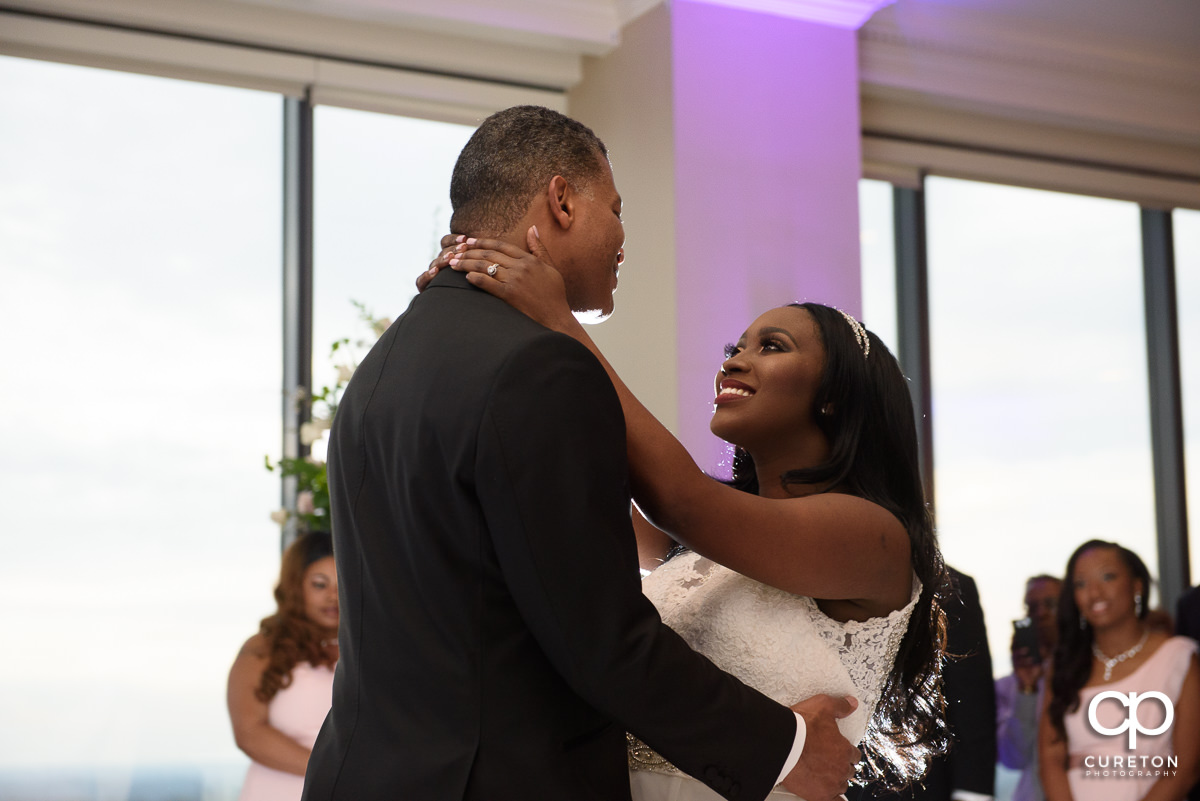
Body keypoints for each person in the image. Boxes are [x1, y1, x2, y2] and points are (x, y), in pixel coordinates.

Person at [301, 106, 859, 801]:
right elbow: (605, 643)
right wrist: (787, 749)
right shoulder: (540, 369)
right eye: (616, 208)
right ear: (562, 200)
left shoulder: (383, 367)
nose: (623, 236)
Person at [429, 236, 950, 796]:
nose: (734, 359)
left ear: (834, 398)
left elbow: (678, 498)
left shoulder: (873, 537)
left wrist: (560, 321)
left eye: (771, 347)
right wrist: (475, 314)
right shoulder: (703, 550)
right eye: (736, 345)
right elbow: (570, 493)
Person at [1039, 540, 1200, 801]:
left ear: (1137, 585)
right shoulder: (1065, 664)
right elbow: (1050, 757)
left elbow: (1187, 767)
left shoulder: (1179, 657)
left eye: (1107, 577)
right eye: (1081, 584)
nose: (1094, 593)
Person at [847, 567, 994, 801]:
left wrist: (972, 793)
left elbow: (972, 702)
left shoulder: (951, 587)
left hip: (920, 784)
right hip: (837, 779)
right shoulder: (817, 579)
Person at [227, 531, 339, 801]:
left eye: (342, 584)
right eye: (319, 584)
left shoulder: (368, 647)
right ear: (295, 585)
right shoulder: (264, 647)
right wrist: (334, 772)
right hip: (278, 791)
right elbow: (249, 733)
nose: (333, 596)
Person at [996, 574, 1063, 801]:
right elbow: (1013, 759)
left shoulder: (1095, 671)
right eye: (1032, 607)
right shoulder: (1008, 687)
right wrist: (1027, 689)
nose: (1041, 613)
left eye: (1050, 604)